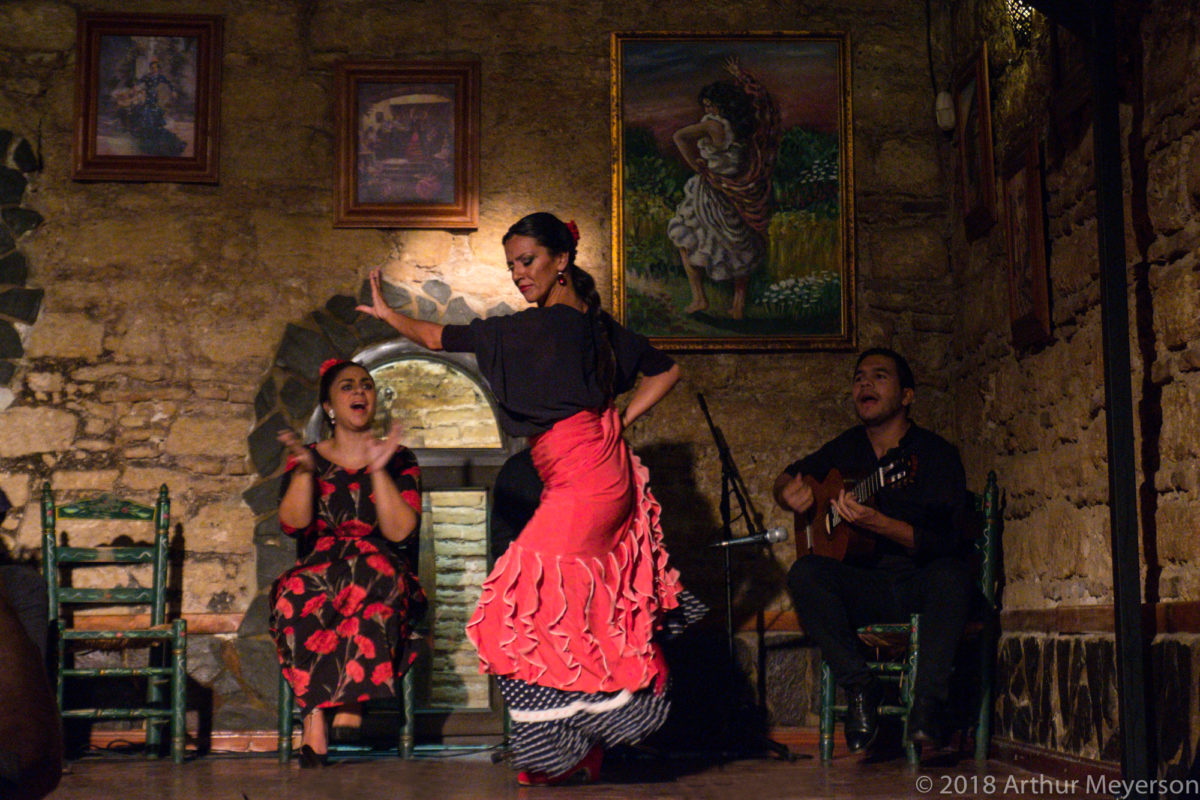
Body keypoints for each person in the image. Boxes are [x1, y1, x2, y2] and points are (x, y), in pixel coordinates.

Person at [357, 212, 699, 786]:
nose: (519, 274)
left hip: (588, 475)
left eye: (528, 261)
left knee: (516, 600)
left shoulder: (536, 330)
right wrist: (617, 418)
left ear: (561, 260)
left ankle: (613, 713)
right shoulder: (581, 326)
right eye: (512, 264)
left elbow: (440, 337)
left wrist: (393, 317)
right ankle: (574, 750)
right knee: (571, 606)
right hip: (586, 469)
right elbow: (664, 371)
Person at [773, 348, 972, 752]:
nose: (865, 384)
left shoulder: (934, 455)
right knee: (805, 573)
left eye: (879, 376)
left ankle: (927, 707)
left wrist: (879, 524)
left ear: (907, 395)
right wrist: (786, 491)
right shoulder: (846, 448)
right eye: (859, 377)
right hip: (867, 586)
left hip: (921, 582)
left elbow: (949, 541)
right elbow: (790, 475)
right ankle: (861, 687)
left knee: (954, 575)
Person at [270, 359, 427, 768]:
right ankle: (316, 720)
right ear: (330, 407)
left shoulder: (401, 459)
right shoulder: (306, 457)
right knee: (296, 591)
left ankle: (351, 694)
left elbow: (400, 532)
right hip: (322, 566)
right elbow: (294, 523)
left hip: (381, 566)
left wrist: (378, 470)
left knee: (370, 573)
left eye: (367, 385)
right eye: (348, 386)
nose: (360, 392)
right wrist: (305, 474)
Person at [667, 57, 780, 319]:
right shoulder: (748, 125)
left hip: (710, 192)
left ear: (720, 106)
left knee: (686, 242)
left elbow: (679, 137)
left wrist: (695, 165)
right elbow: (765, 101)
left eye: (710, 104)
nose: (706, 108)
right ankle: (738, 306)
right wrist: (742, 76)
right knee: (739, 249)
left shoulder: (712, 124)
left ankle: (699, 298)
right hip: (738, 192)